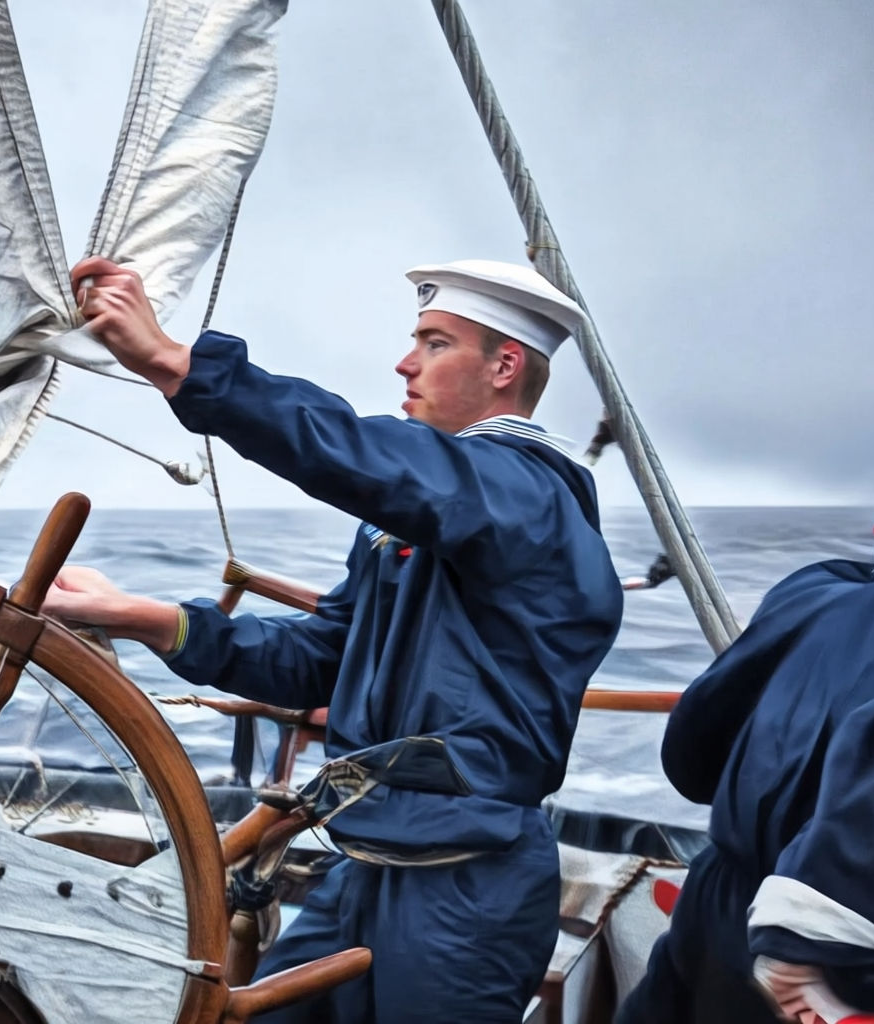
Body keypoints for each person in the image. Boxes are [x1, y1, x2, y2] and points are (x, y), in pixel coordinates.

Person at [44, 255, 623, 1023]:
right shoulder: (428, 518)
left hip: (466, 886)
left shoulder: (525, 492)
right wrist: (152, 620)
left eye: (435, 342)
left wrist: (183, 368)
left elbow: (365, 456)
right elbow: (323, 659)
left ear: (505, 365)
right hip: (367, 861)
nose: (405, 361)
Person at [616, 558, 874, 1023]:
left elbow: (691, 759)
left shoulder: (811, 590)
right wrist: (818, 945)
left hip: (718, 891)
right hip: (815, 946)